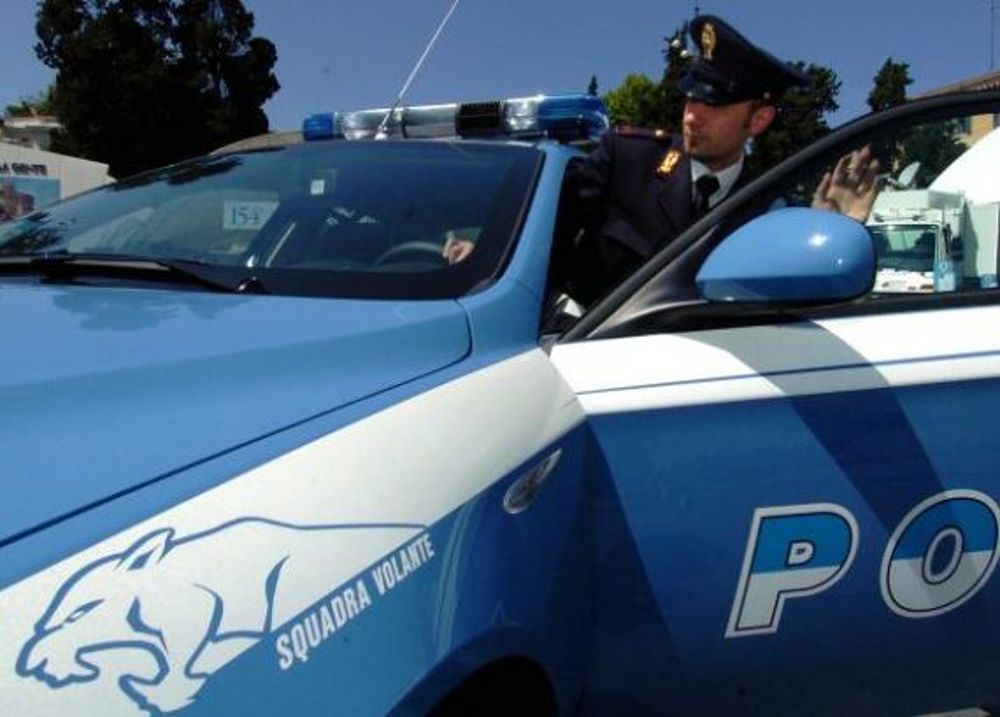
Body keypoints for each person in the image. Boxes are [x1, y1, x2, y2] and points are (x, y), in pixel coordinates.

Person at [561, 14, 879, 306]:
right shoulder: (626, 160)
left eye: (715, 104)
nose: (691, 117)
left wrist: (820, 245)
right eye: (691, 97)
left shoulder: (768, 211)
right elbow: (545, 245)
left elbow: (780, 313)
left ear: (759, 120)